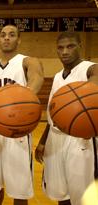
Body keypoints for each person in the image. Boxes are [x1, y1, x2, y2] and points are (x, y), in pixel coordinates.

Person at [0, 24, 44, 205]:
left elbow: (37, 77)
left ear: (19, 39)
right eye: (3, 35)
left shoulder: (27, 61)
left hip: (17, 131)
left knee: (19, 190)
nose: (7, 38)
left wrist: (24, 99)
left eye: (12, 35)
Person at [35, 32, 98, 205]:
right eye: (60, 47)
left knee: (83, 197)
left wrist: (86, 98)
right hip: (55, 139)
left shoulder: (89, 68)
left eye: (70, 46)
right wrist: (43, 141)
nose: (64, 51)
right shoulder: (57, 76)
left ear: (80, 46)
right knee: (60, 193)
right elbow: (53, 113)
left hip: (79, 140)